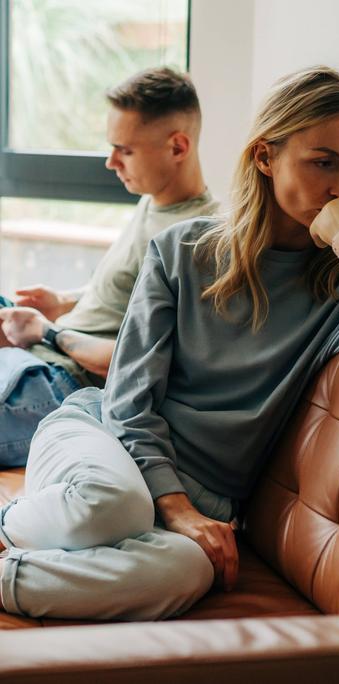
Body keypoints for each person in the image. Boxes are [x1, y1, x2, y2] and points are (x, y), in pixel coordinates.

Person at [0, 66, 339, 621]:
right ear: (265, 158)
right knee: (113, 506)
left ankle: (11, 576)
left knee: (189, 572)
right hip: (102, 444)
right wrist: (177, 509)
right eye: (324, 162)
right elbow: (127, 402)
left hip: (197, 503)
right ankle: (13, 523)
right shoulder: (182, 251)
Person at [0, 67, 219, 467]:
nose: (110, 162)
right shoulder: (154, 198)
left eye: (125, 150)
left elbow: (147, 364)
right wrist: (62, 302)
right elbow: (123, 290)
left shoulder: (197, 240)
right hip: (42, 356)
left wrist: (47, 332)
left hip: (64, 384)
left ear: (178, 147)